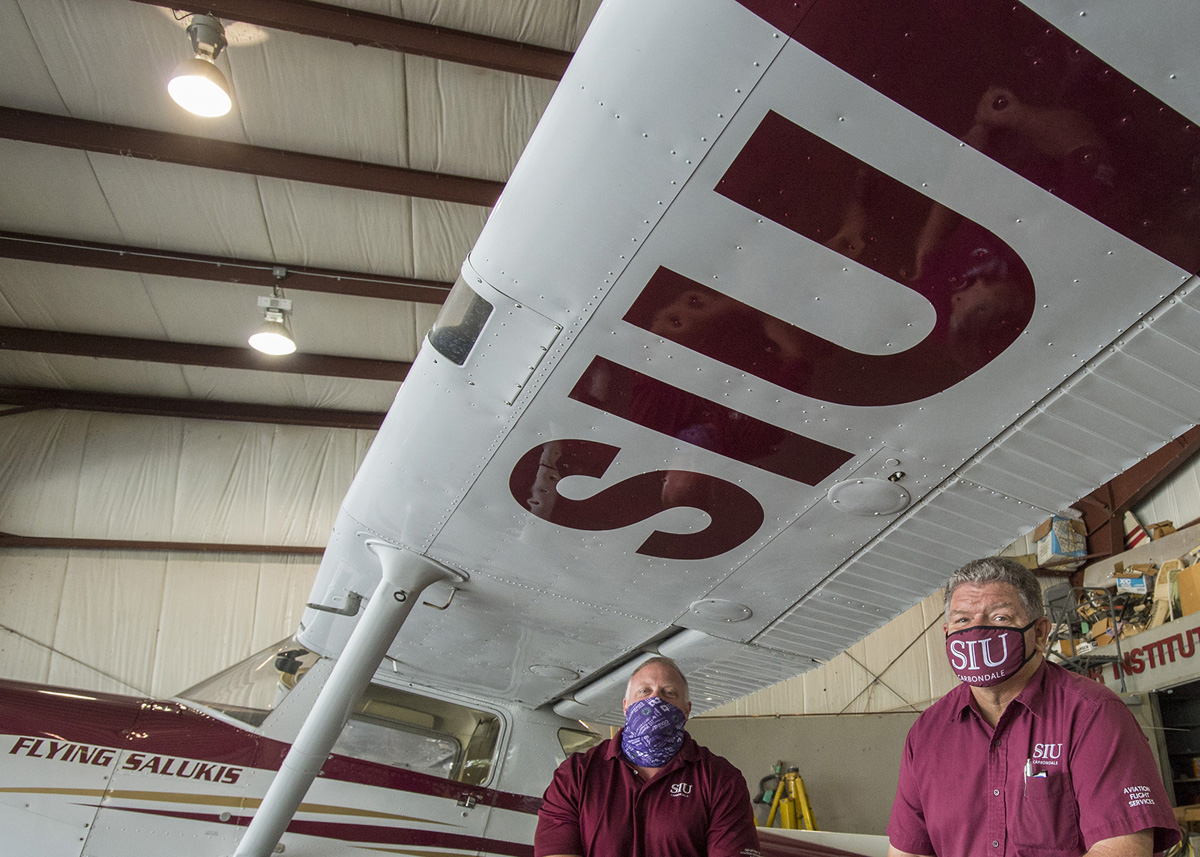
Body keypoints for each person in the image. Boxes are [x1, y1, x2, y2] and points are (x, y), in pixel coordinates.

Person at [887, 556, 1181, 857]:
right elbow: (908, 851)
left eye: (1000, 618)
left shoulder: (1093, 714)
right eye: (963, 621)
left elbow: (1121, 848)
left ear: (1039, 633)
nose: (977, 633)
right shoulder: (926, 734)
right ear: (947, 633)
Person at [534, 656, 760, 857]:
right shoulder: (575, 775)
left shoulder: (721, 780)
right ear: (625, 706)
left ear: (687, 709)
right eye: (644, 691)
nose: (655, 700)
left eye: (669, 693)